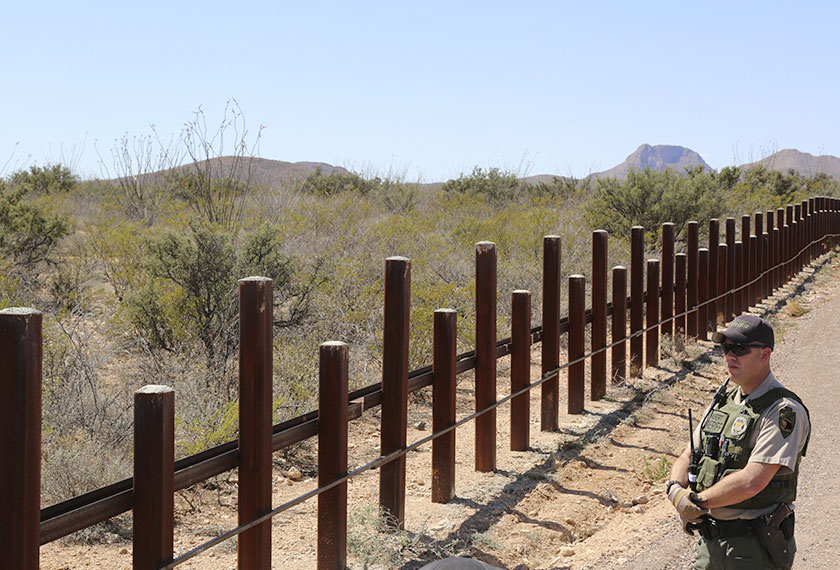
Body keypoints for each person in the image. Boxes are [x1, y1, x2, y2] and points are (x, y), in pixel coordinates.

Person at [665, 314, 810, 570]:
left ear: (765, 354)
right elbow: (688, 455)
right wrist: (676, 491)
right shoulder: (724, 401)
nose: (730, 356)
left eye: (740, 349)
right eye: (726, 348)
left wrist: (696, 502)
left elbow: (752, 481)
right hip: (710, 544)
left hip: (754, 547)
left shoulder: (783, 410)